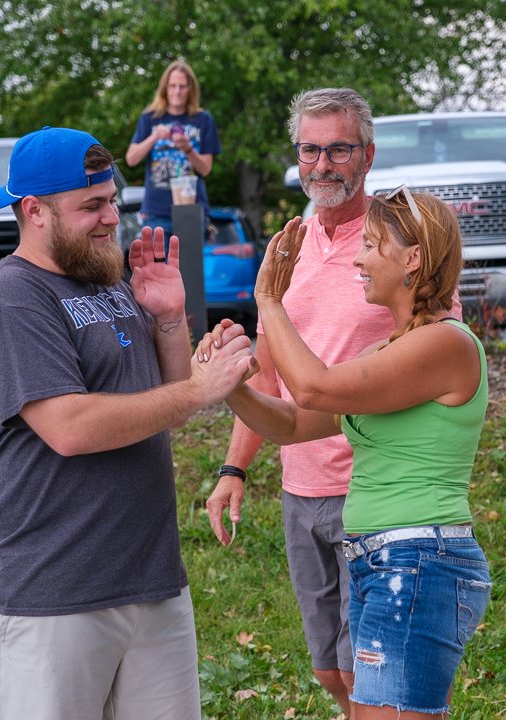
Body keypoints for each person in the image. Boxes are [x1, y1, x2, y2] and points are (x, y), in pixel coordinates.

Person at [0, 126, 253, 720]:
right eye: (90, 206)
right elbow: (70, 426)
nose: (108, 219)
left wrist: (170, 321)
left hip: (148, 577)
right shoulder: (11, 298)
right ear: (34, 211)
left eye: (112, 200)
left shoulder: (109, 279)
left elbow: (160, 397)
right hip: (51, 591)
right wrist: (199, 391)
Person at [202, 187, 490, 719]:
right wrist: (230, 384)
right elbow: (291, 422)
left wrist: (270, 300)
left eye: (372, 245)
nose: (358, 257)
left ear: (414, 259)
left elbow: (311, 388)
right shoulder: (387, 351)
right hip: (381, 560)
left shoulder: (445, 345)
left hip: (418, 558)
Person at [204, 87, 393, 714]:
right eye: (310, 149)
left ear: (367, 154)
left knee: (369, 669)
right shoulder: (291, 242)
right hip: (301, 488)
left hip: (375, 485)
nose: (322, 164)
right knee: (329, 671)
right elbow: (272, 372)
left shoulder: (396, 240)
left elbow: (432, 346)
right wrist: (235, 468)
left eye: (338, 149)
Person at [126, 59, 221, 244]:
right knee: (157, 269)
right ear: (165, 88)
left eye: (182, 86)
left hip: (191, 209)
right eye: (173, 86)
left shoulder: (202, 119)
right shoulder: (150, 118)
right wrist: (154, 137)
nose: (177, 91)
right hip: (156, 211)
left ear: (190, 89)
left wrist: (187, 148)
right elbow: (131, 159)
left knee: (189, 271)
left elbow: (205, 169)